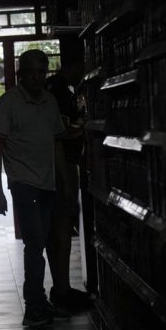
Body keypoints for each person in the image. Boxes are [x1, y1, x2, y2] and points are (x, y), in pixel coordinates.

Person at [0, 50, 70, 328]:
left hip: (48, 183)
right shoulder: (8, 102)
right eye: (30, 72)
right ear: (20, 74)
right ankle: (34, 306)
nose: (36, 77)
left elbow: (57, 143)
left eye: (41, 72)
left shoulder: (50, 101)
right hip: (23, 184)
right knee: (35, 244)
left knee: (45, 242)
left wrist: (64, 182)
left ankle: (43, 301)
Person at [45, 60, 92, 312]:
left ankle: (61, 287)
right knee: (62, 230)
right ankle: (62, 289)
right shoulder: (59, 92)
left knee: (58, 232)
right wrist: (83, 123)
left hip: (58, 167)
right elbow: (62, 134)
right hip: (62, 166)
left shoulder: (55, 89)